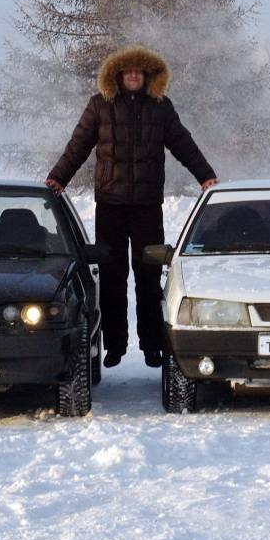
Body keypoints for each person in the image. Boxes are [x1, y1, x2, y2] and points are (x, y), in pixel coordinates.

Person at [47, 45, 217, 369]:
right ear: (119, 76)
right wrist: (58, 178)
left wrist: (205, 176)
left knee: (148, 276)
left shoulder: (161, 107)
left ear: (148, 76)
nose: (134, 76)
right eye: (129, 72)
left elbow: (184, 143)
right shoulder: (100, 106)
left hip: (147, 207)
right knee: (112, 277)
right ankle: (115, 345)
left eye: (140, 72)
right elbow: (78, 145)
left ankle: (152, 346)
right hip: (109, 206)